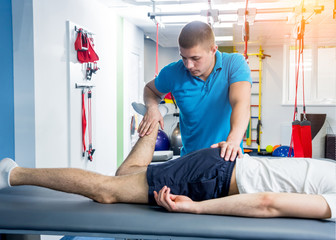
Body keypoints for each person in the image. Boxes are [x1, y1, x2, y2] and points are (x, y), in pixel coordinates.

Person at [0, 123, 335, 219]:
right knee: (107, 191)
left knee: (121, 179)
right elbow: (267, 203)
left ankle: (151, 126)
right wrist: (195, 207)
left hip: (219, 170)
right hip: (214, 177)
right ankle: (14, 174)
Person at [138, 21, 252, 161]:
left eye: (195, 58)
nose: (188, 65)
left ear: (213, 50)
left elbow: (241, 103)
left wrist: (233, 141)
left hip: (227, 158)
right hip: (190, 162)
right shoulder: (173, 72)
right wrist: (152, 107)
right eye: (183, 57)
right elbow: (150, 89)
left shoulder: (234, 64)